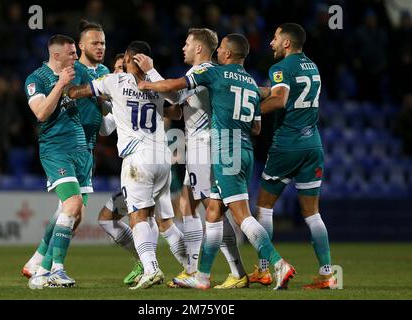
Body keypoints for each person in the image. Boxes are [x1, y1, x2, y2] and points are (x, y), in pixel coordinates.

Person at [138, 33, 295, 290]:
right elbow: (256, 127)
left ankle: (276, 263)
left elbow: (175, 90)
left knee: (236, 214)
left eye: (221, 48)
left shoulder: (213, 73)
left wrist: (149, 80)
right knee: (213, 213)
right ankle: (203, 276)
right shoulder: (249, 82)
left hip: (218, 148)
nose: (219, 52)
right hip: (243, 147)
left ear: (227, 54)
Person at [68, 41, 185, 290]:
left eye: (124, 63)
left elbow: (79, 92)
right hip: (162, 158)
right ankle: (191, 269)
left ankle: (151, 268)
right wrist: (151, 75)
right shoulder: (155, 85)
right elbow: (176, 106)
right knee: (161, 221)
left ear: (131, 59)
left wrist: (66, 88)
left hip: (138, 160)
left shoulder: (113, 81)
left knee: (139, 217)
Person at [22, 21, 110, 286]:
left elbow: (97, 96)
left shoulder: (77, 73)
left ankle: (39, 266)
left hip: (81, 149)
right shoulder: (36, 78)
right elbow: (41, 113)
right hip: (56, 149)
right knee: (70, 206)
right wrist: (60, 85)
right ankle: (53, 271)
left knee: (75, 213)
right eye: (72, 53)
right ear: (56, 55)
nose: (76, 58)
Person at [249, 23, 334, 289]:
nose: (271, 43)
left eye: (274, 38)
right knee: (312, 214)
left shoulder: (281, 68)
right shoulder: (313, 66)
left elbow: (279, 100)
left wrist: (251, 113)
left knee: (263, 206)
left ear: (287, 43)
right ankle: (327, 274)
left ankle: (265, 270)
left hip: (288, 143)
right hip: (313, 144)